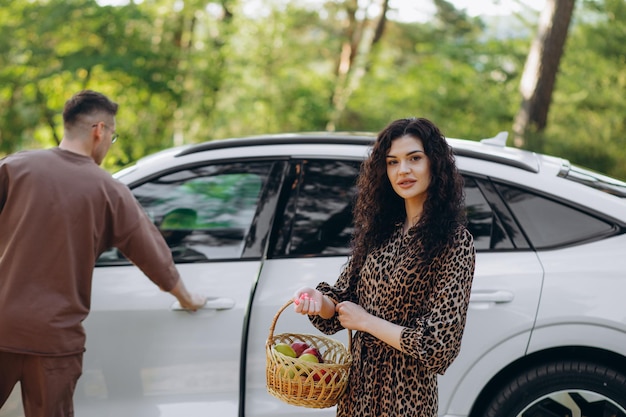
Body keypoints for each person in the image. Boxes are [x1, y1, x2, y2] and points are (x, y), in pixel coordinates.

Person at [0, 90, 207, 417]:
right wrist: (187, 298)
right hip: (54, 340)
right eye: (113, 135)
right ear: (99, 130)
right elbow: (153, 255)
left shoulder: (15, 167)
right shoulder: (108, 190)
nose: (110, 143)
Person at [293, 117, 476, 417]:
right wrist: (318, 300)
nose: (402, 170)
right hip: (356, 395)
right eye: (393, 162)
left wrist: (366, 322)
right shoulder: (380, 231)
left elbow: (439, 345)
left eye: (414, 158)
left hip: (407, 398)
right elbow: (342, 303)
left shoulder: (454, 242)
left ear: (435, 164)